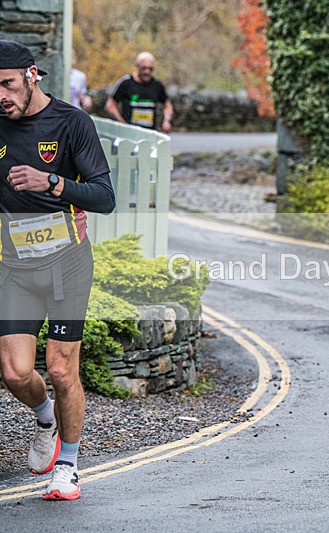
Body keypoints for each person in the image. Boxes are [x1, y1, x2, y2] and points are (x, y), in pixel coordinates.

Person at [0, 40, 116, 500]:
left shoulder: (72, 123)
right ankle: (45, 417)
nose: (1, 96)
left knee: (63, 370)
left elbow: (104, 197)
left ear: (32, 76)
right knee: (14, 372)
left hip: (67, 264)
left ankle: (68, 465)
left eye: (7, 84)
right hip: (15, 267)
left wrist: (52, 182)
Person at [105, 51, 173, 132]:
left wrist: (166, 121)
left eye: (150, 69)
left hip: (149, 133)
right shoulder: (126, 83)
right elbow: (111, 105)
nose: (147, 72)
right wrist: (120, 121)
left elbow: (167, 105)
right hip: (129, 132)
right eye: (144, 68)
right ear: (137, 66)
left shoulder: (157, 85)